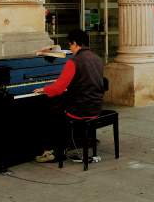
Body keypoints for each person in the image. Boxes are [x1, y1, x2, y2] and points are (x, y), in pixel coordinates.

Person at [33, 29, 104, 163]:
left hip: (80, 110)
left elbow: (59, 88)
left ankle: (52, 151)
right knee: (57, 106)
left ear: (76, 43)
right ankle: (72, 143)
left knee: (48, 112)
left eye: (70, 45)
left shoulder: (74, 62)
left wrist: (44, 89)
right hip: (96, 107)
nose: (70, 49)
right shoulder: (97, 58)